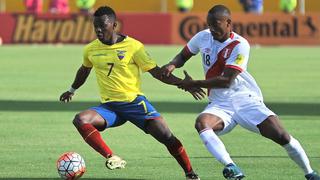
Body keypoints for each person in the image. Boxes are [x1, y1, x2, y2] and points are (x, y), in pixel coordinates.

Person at [161, 4, 320, 180]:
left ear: (228, 22)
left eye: (216, 24)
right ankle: (231, 166)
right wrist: (172, 64)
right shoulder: (203, 37)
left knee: (282, 135)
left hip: (246, 100)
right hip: (220, 104)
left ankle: (310, 173)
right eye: (209, 25)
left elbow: (226, 80)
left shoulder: (240, 44)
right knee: (202, 123)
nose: (212, 29)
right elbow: (183, 56)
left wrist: (194, 83)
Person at [59, 6, 204, 180]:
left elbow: (157, 72)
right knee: (81, 119)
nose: (98, 30)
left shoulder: (134, 47)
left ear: (114, 25)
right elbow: (84, 70)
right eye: (95, 26)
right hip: (110, 108)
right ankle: (111, 156)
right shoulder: (91, 49)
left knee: (167, 137)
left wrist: (183, 84)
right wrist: (72, 90)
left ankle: (190, 173)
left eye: (102, 26)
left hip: (135, 104)